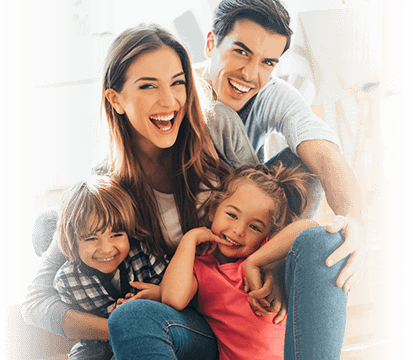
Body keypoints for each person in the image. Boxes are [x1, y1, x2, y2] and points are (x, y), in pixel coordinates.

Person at [23, 24, 349, 360]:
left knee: (321, 234)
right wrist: (116, 326)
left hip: (248, 296)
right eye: (148, 86)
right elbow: (34, 305)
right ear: (115, 99)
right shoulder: (110, 183)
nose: (169, 101)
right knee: (55, 231)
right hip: (186, 313)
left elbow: (261, 201)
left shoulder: (216, 123)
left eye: (178, 83)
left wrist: (273, 267)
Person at [195, 0, 366, 296]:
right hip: (193, 215)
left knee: (306, 169)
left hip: (250, 218)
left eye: (267, 62)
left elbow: (326, 157)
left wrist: (355, 222)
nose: (249, 74)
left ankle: (272, 266)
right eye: (240, 52)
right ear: (212, 43)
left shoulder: (274, 95)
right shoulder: (176, 90)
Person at [161, 164, 319, 360]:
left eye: (254, 227)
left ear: (267, 235)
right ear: (212, 210)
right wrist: (189, 239)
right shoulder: (200, 268)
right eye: (232, 215)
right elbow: (173, 299)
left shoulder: (266, 258)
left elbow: (311, 228)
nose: (239, 230)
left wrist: (255, 262)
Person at [53, 176, 165, 359]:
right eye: (91, 238)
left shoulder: (144, 253)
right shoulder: (67, 281)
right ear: (73, 241)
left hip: (150, 334)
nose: (106, 249)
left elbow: (175, 298)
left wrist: (157, 297)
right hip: (99, 346)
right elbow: (86, 335)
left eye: (116, 235)